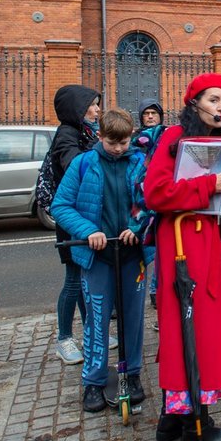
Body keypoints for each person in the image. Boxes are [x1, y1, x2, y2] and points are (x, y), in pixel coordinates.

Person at [143, 73, 221, 441]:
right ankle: (194, 427)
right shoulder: (173, 139)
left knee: (204, 333)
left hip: (214, 248)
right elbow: (156, 193)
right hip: (183, 249)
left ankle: (175, 418)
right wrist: (207, 184)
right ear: (195, 102)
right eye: (214, 100)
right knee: (187, 331)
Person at [49, 108, 149, 414]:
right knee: (97, 319)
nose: (119, 149)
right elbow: (61, 205)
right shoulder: (83, 164)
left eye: (123, 142)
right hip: (98, 257)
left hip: (133, 255)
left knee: (133, 318)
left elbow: (149, 203)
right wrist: (88, 230)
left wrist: (136, 226)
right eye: (112, 142)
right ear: (100, 136)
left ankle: (131, 373)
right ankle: (93, 380)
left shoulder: (141, 162)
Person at [49, 85, 100, 365]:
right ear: (77, 109)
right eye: (92, 105)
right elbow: (73, 165)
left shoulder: (86, 132)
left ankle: (91, 330)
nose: (96, 110)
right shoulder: (67, 135)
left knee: (85, 278)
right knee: (73, 281)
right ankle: (64, 339)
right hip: (73, 220)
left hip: (87, 215)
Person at [133, 98, 166, 311]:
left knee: (162, 252)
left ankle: (156, 291)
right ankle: (137, 294)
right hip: (142, 199)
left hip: (160, 198)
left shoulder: (166, 137)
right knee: (142, 251)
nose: (151, 116)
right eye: (147, 113)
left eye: (154, 113)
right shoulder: (135, 141)